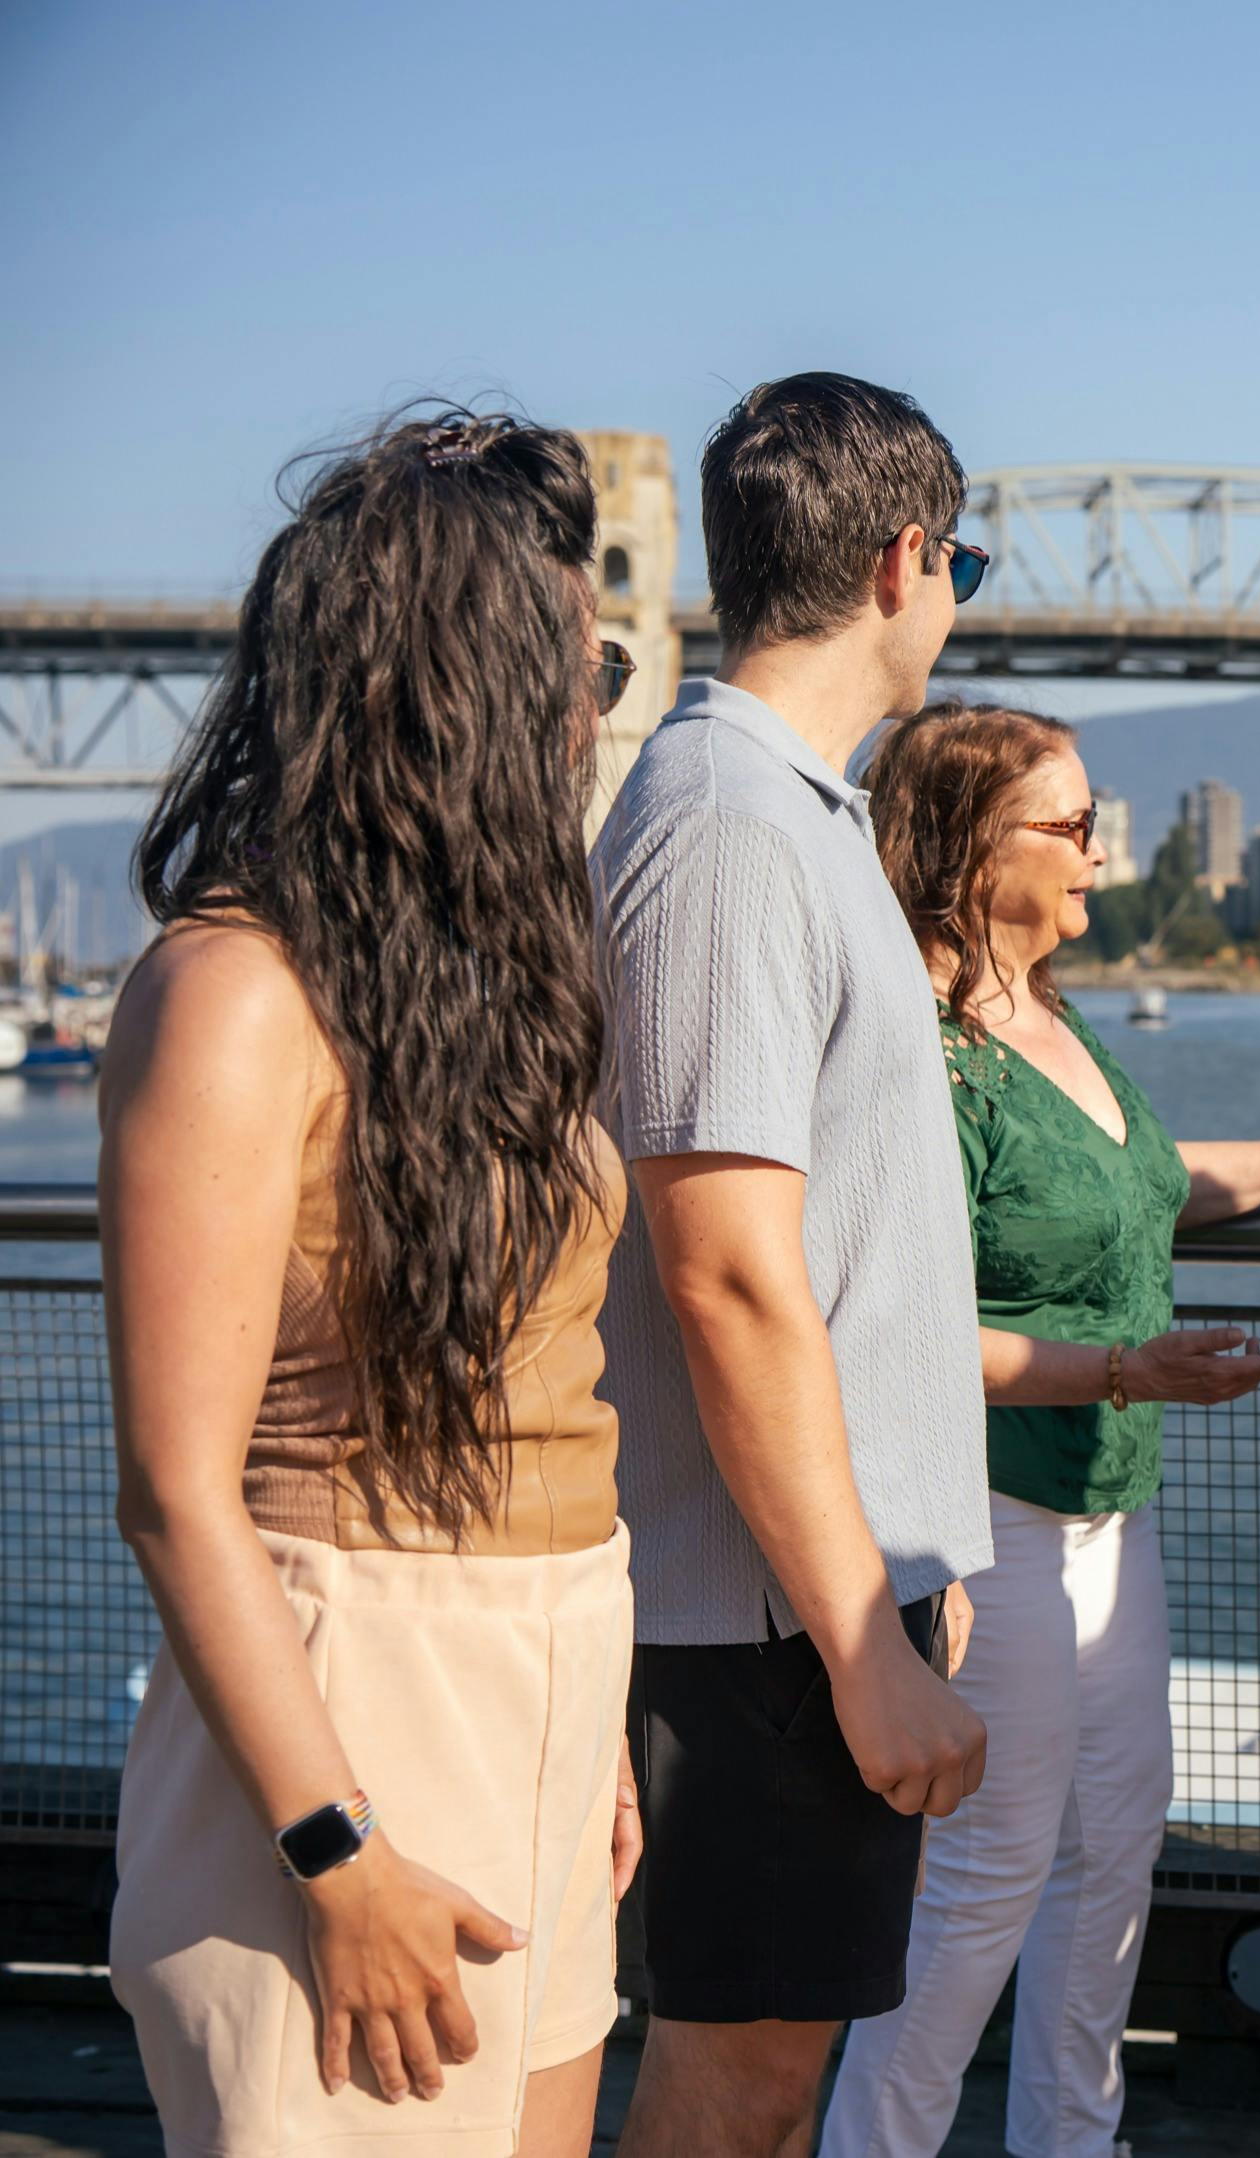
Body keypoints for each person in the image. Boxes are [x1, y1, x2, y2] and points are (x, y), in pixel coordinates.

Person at [103, 411, 634, 2156]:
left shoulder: (487, 979)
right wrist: (335, 1846)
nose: (597, 705)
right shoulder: (238, 991)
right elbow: (180, 1488)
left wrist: (590, 1728)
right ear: (461, 684)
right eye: (583, 660)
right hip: (348, 1696)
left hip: (552, 1655)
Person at [821, 701, 1260, 2158]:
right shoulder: (916, 1046)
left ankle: (1071, 2144)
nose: (1103, 850)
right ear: (973, 846)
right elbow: (881, 1331)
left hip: (1108, 1516)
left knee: (1110, 1863)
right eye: (1071, 824)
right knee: (982, 1879)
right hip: (986, 1519)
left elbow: (1136, 1180)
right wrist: (1123, 1372)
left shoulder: (1045, 1011)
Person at [596, 374, 1000, 2158]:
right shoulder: (732, 827)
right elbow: (728, 1275)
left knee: (783, 2066)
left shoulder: (803, 815)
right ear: (908, 557)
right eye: (963, 559)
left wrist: (916, 1547)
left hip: (809, 1589)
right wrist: (859, 1634)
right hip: (752, 1614)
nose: (960, 596)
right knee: (742, 2074)